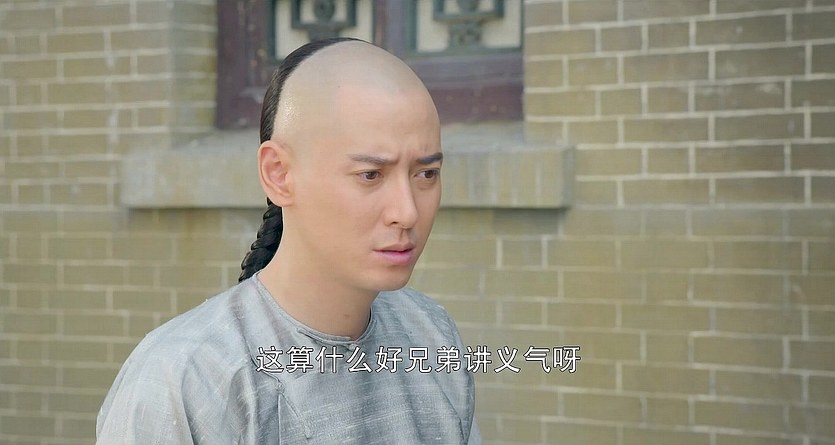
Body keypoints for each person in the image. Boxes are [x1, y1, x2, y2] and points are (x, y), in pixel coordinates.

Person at [96, 38, 481, 444]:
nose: (407, 211)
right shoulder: (187, 379)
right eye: (371, 175)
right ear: (278, 174)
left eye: (426, 174)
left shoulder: (430, 334)